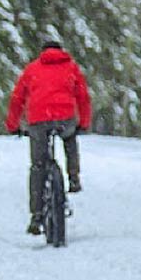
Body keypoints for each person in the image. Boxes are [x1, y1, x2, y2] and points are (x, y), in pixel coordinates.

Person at [6, 40, 92, 234]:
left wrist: (13, 125)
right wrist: (84, 123)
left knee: (38, 165)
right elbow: (83, 96)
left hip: (38, 120)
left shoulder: (32, 68)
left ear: (42, 52)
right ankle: (74, 177)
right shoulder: (71, 67)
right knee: (70, 139)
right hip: (65, 118)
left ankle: (36, 216)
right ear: (61, 51)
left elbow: (17, 98)